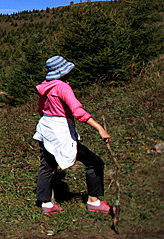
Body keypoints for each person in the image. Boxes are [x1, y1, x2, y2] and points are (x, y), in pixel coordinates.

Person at [33, 55, 112, 215]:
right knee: (94, 162)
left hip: (46, 129)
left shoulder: (45, 87)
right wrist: (99, 128)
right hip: (60, 131)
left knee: (47, 165)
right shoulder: (62, 87)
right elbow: (77, 111)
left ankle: (46, 204)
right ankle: (93, 201)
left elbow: (41, 110)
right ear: (62, 72)